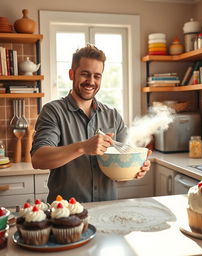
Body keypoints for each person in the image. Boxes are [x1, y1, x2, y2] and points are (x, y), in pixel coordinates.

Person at [31, 44, 151, 203]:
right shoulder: (53, 111)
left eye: (97, 76)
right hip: (66, 215)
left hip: (108, 209)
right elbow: (38, 159)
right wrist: (82, 147)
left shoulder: (112, 115)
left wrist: (136, 169)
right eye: (85, 74)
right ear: (71, 74)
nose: (91, 81)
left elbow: (122, 173)